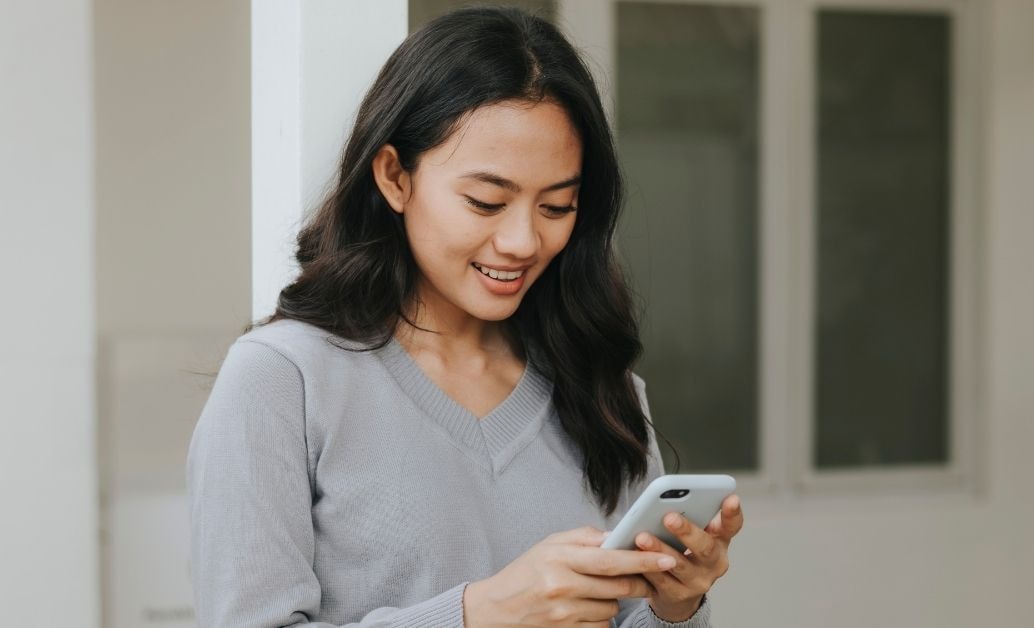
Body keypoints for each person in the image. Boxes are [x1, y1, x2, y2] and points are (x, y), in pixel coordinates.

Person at [187, 7, 743, 627]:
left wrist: (675, 607)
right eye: (486, 201)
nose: (522, 242)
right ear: (396, 178)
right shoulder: (283, 380)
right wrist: (477, 615)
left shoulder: (601, 389)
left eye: (557, 206)